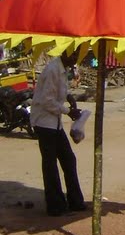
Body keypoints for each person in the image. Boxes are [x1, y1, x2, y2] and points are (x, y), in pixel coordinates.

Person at [30, 51, 86, 217]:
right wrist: (68, 111)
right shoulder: (53, 69)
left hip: (54, 123)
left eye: (78, 56)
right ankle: (55, 205)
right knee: (50, 164)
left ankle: (75, 201)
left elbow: (57, 91)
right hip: (44, 122)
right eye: (74, 55)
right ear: (65, 53)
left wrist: (69, 97)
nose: (75, 59)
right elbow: (47, 100)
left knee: (68, 159)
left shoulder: (62, 69)